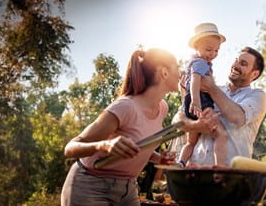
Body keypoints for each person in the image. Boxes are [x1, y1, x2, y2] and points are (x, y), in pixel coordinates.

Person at [61, 48, 180, 206]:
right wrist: (105, 145)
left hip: (128, 188)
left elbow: (136, 143)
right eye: (178, 68)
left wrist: (158, 158)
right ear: (164, 72)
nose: (181, 73)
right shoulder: (126, 106)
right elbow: (70, 149)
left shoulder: (162, 107)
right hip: (91, 187)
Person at [177, 47, 266, 167]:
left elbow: (237, 117)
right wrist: (196, 125)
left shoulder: (257, 96)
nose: (236, 65)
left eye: (243, 64)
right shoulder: (212, 88)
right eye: (236, 60)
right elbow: (178, 119)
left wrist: (211, 88)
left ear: (254, 74)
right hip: (196, 168)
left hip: (230, 173)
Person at [178, 22, 228, 167]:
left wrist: (191, 101)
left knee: (191, 142)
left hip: (190, 102)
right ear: (196, 47)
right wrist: (196, 101)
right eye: (208, 49)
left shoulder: (192, 62)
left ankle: (181, 162)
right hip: (201, 100)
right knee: (221, 135)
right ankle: (220, 166)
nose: (212, 54)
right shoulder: (200, 63)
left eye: (216, 50)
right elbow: (195, 81)